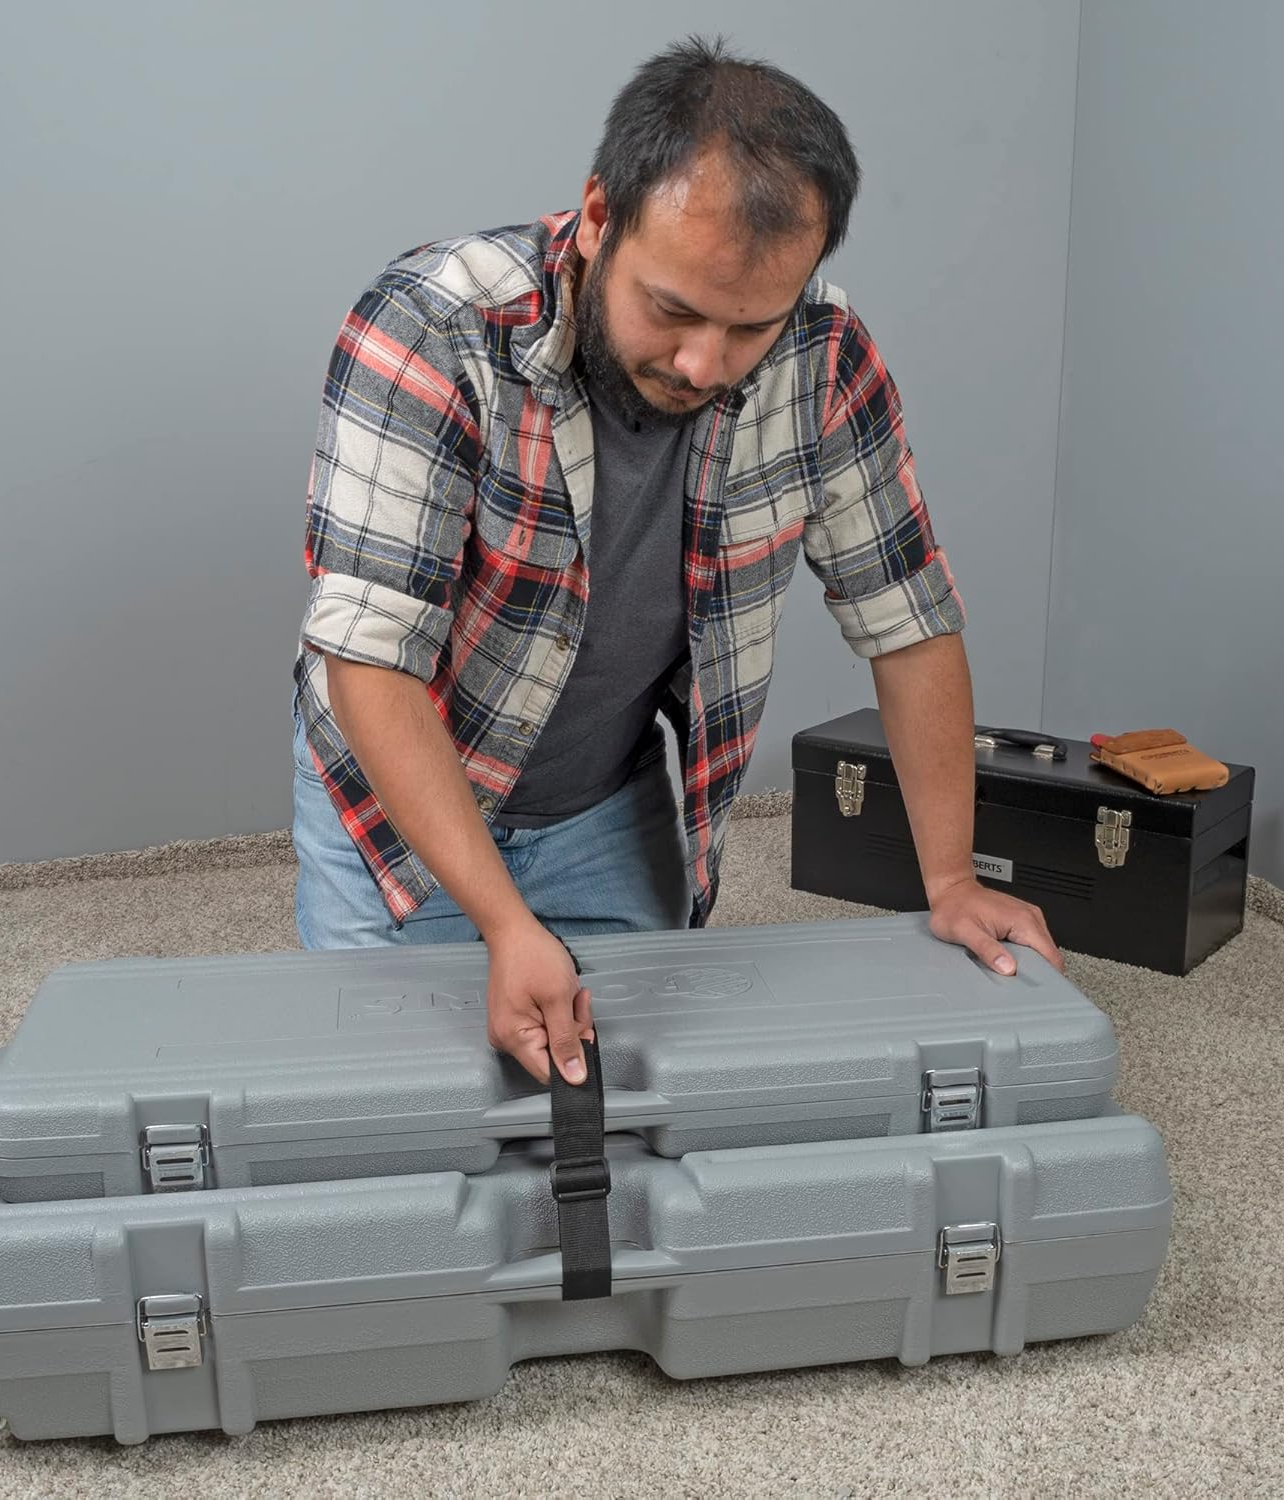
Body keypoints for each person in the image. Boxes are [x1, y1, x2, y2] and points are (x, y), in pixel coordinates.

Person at [291, 36, 1063, 1088]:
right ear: (599, 217)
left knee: (638, 1112)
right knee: (396, 1120)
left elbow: (908, 616)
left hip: (607, 801)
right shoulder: (431, 326)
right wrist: (507, 927)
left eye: (749, 326)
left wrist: (949, 876)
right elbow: (370, 660)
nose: (704, 363)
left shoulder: (825, 358)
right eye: (672, 310)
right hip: (401, 796)